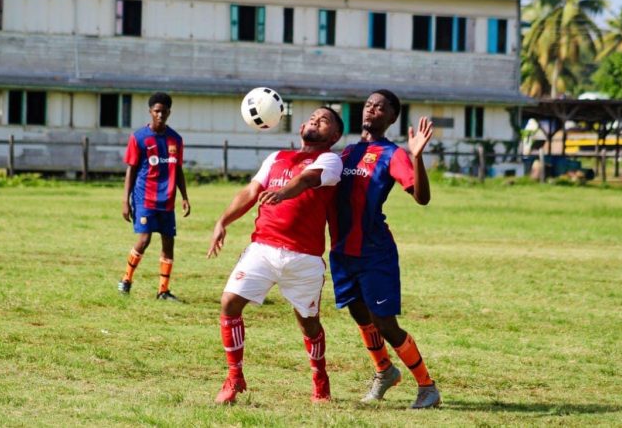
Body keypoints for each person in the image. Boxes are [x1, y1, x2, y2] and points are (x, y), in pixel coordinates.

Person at [206, 107, 344, 405]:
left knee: (309, 323)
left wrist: (283, 193)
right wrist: (222, 221)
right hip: (263, 248)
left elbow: (308, 180)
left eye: (325, 120)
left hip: (304, 258)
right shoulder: (277, 157)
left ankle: (320, 377)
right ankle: (234, 377)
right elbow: (251, 191)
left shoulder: (331, 160)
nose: (316, 120)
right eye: (312, 117)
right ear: (301, 127)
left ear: (334, 135)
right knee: (229, 302)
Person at [327, 89, 441, 408]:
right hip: (341, 251)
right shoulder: (346, 152)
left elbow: (422, 196)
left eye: (380, 107)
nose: (372, 110)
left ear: (392, 117)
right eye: (368, 105)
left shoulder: (393, 154)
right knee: (359, 313)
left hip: (374, 252)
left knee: (384, 323)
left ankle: (427, 387)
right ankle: (384, 371)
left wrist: (417, 157)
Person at [118, 92, 190, 301]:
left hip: (166, 201)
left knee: (169, 243)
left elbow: (178, 170)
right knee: (144, 239)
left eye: (164, 111)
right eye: (156, 111)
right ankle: (126, 280)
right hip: (145, 198)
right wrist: (126, 200)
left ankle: (163, 291)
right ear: (150, 111)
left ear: (169, 112)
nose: (160, 115)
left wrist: (184, 196)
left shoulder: (175, 139)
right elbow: (131, 169)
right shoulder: (139, 137)